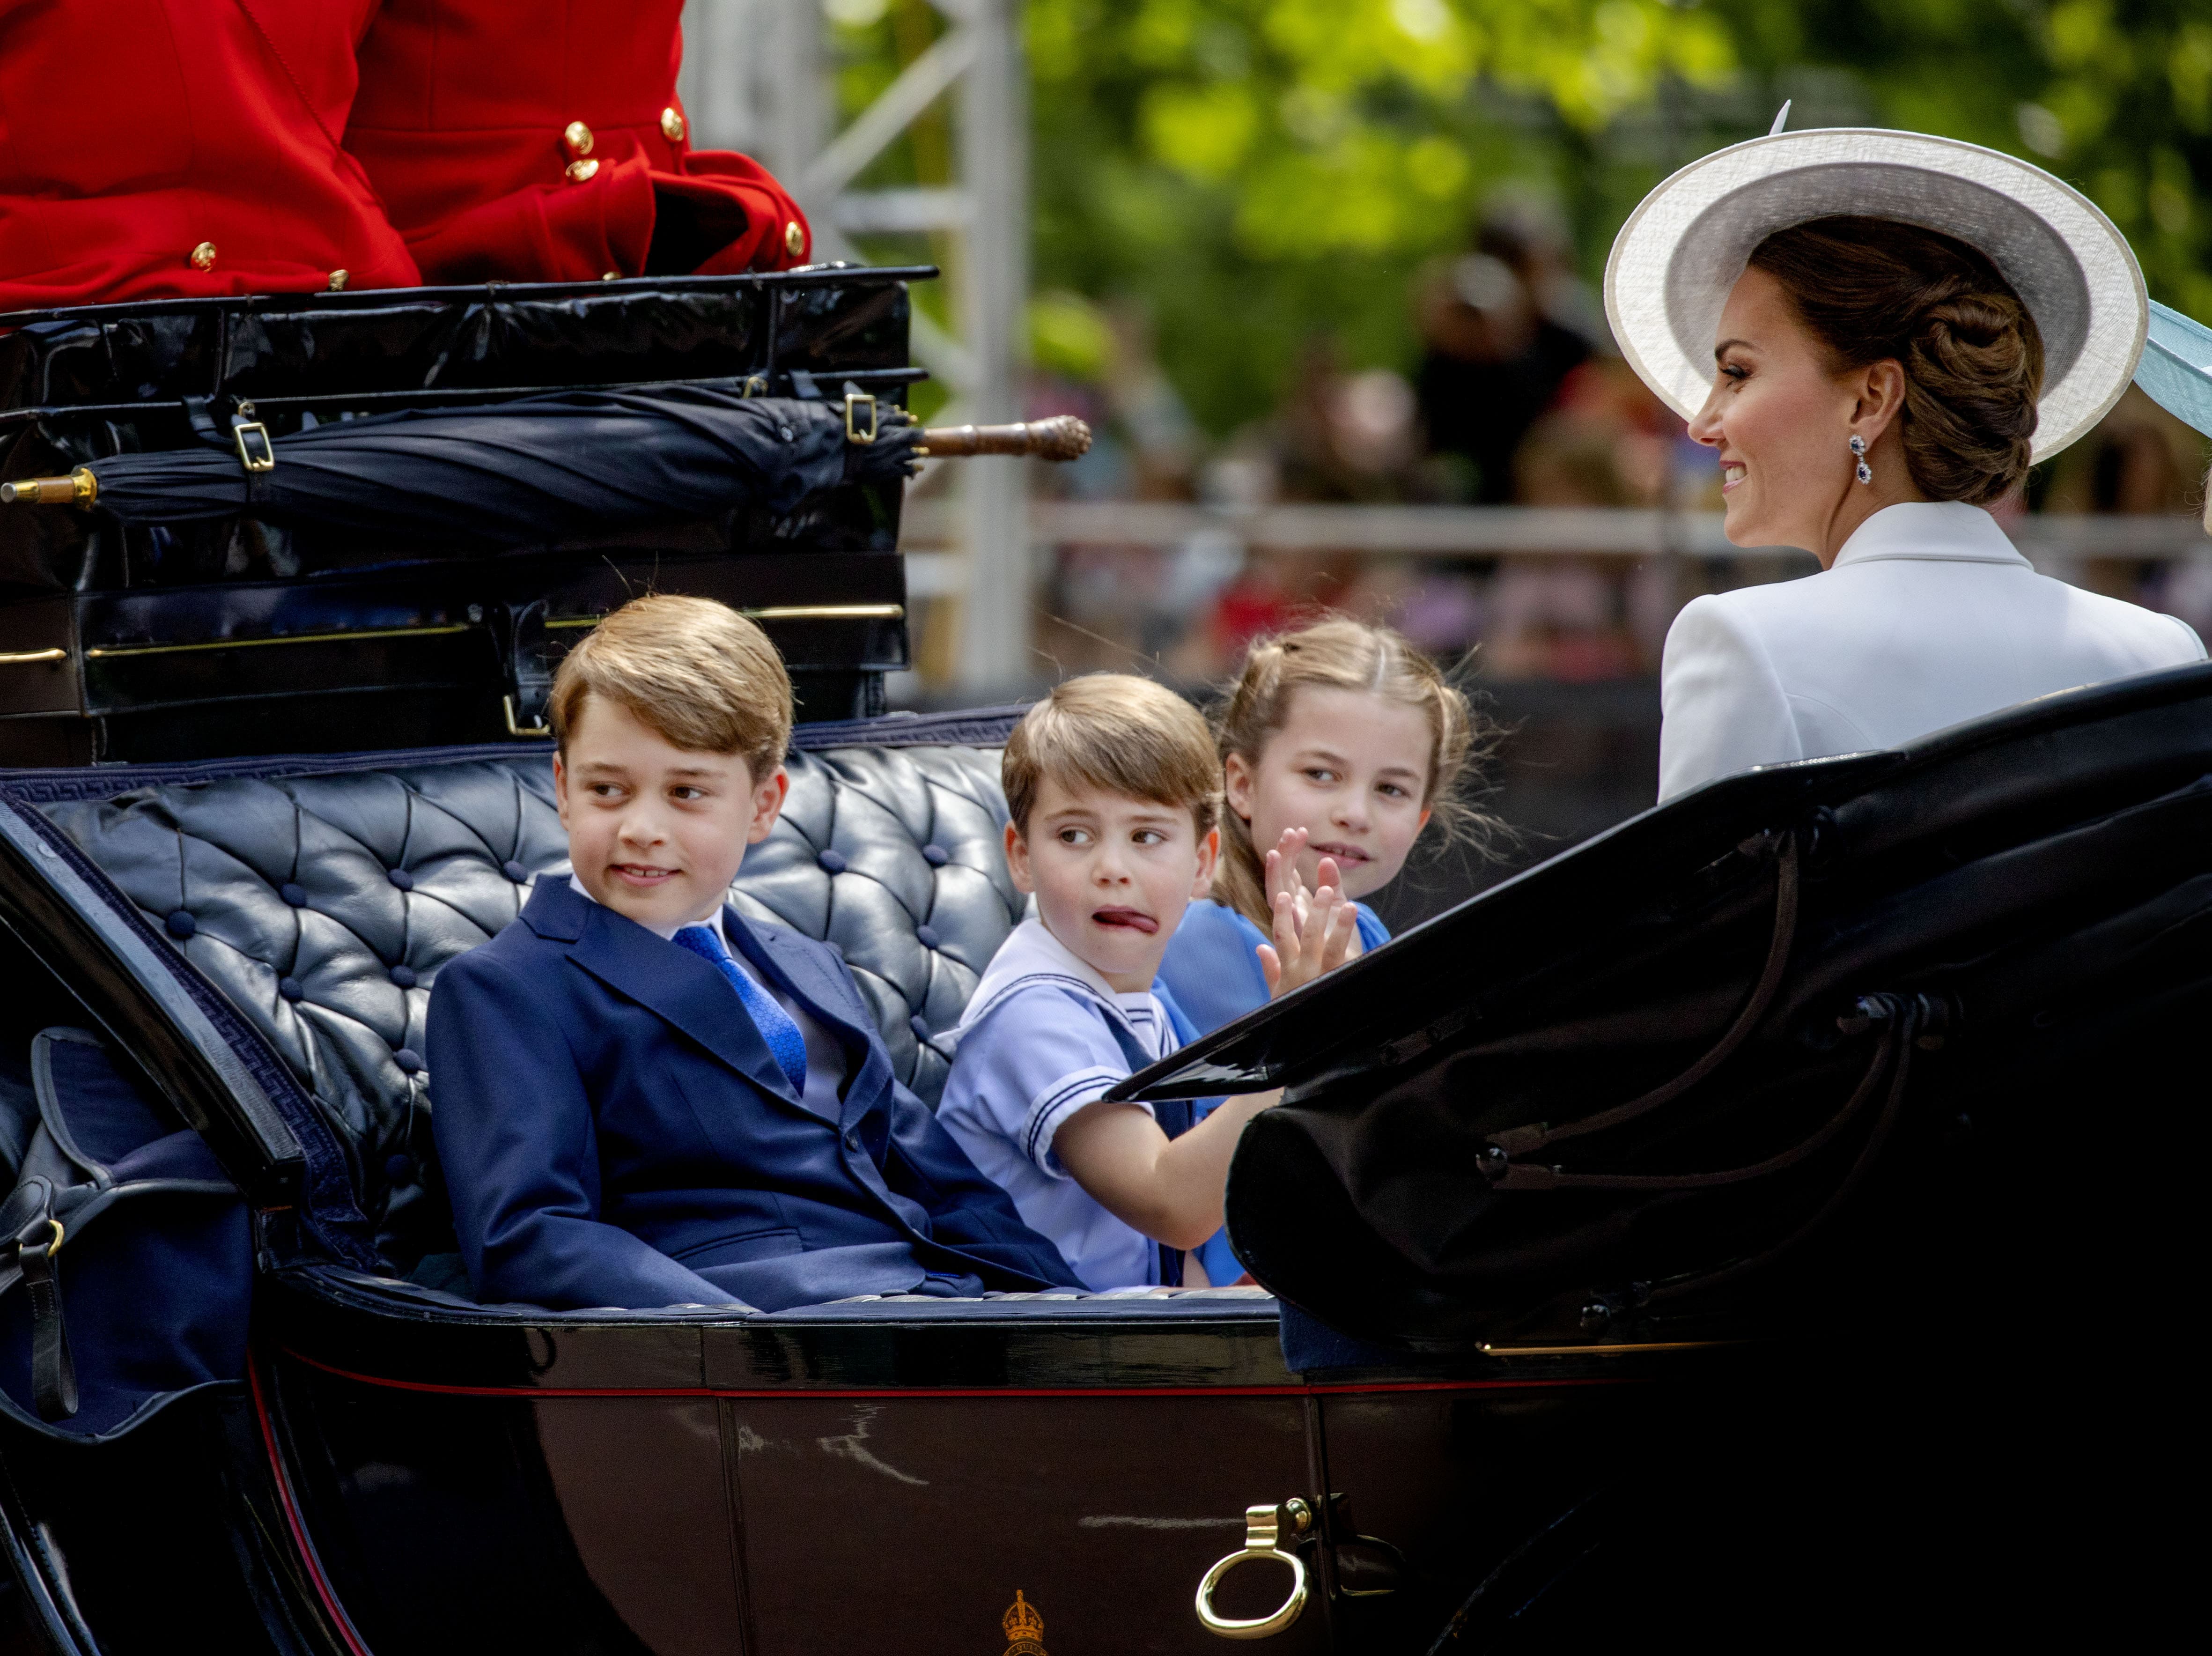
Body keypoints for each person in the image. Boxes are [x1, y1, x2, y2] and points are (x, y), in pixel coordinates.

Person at [425, 595, 1078, 1311]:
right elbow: (529, 1236)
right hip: (768, 1336)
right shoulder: (509, 989)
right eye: (608, 790)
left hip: (940, 1301)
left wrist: (1086, 1315)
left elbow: (943, 1183)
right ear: (564, 791)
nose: (641, 827)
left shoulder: (805, 964)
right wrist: (746, 1344)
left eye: (686, 792)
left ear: (763, 805)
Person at [1600, 129, 2206, 802]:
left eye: (1738, 372)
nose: (1702, 424)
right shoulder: (2162, 655)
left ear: (1871, 399)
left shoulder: (1745, 645)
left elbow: (1705, 909)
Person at [935, 675, 1355, 1292]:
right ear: (1021, 857)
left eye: (1147, 837)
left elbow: (1164, 1256)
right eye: (1074, 835)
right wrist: (1291, 1036)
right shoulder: (1033, 1012)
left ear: (1203, 864)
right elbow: (1172, 1206)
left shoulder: (1133, 1001)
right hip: (1036, 1349)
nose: (1112, 870)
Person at [1158, 617, 1494, 1036]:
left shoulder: (1360, 927)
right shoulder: (1195, 937)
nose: (1355, 813)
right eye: (1320, 774)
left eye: (1391, 789)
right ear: (1243, 785)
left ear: (1420, 820)